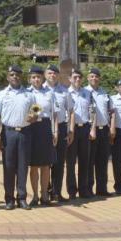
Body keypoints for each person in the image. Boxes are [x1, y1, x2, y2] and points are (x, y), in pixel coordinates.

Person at [0, 65, 36, 210]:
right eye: (12, 74)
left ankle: (22, 198)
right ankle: (9, 199)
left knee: (23, 166)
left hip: (25, 132)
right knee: (9, 167)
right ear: (7, 77)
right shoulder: (1, 94)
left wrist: (34, 116)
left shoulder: (29, 94)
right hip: (8, 133)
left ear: (21, 77)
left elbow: (36, 109)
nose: (15, 77)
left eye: (17, 74)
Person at [26, 66, 57, 206]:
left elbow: (54, 114)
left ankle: (44, 195)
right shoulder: (26, 93)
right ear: (30, 79)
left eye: (38, 77)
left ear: (42, 78)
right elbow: (28, 112)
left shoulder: (49, 93)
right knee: (33, 166)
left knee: (45, 165)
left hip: (45, 127)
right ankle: (34, 196)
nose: (36, 79)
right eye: (33, 77)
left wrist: (55, 131)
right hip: (31, 128)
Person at [45, 65, 74, 202]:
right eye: (50, 73)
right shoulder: (39, 90)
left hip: (61, 128)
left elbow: (71, 111)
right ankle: (45, 191)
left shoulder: (64, 91)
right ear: (45, 74)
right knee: (44, 162)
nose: (52, 75)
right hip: (43, 129)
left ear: (58, 75)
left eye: (55, 73)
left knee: (59, 162)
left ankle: (57, 192)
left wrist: (71, 131)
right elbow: (33, 109)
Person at [66, 69, 92, 200]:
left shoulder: (87, 93)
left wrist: (92, 128)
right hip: (72, 130)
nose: (77, 79)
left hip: (85, 128)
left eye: (79, 77)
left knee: (84, 161)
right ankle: (71, 190)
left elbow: (92, 110)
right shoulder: (66, 93)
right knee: (70, 162)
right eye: (75, 77)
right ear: (69, 78)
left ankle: (83, 189)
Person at [86, 68, 111, 196]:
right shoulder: (85, 92)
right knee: (90, 161)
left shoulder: (104, 93)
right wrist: (91, 129)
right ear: (88, 78)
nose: (94, 78)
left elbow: (110, 111)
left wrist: (110, 128)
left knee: (102, 161)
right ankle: (89, 189)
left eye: (96, 76)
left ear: (99, 78)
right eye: (92, 76)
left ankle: (102, 189)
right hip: (91, 131)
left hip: (103, 130)